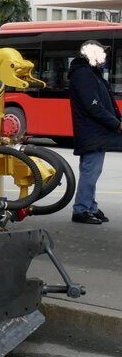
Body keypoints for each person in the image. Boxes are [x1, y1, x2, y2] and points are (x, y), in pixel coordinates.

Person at [67, 39, 117, 224]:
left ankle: (90, 206)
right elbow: (93, 106)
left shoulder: (89, 73)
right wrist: (115, 123)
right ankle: (81, 209)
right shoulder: (84, 75)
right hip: (92, 132)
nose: (103, 56)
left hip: (94, 132)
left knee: (91, 171)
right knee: (91, 171)